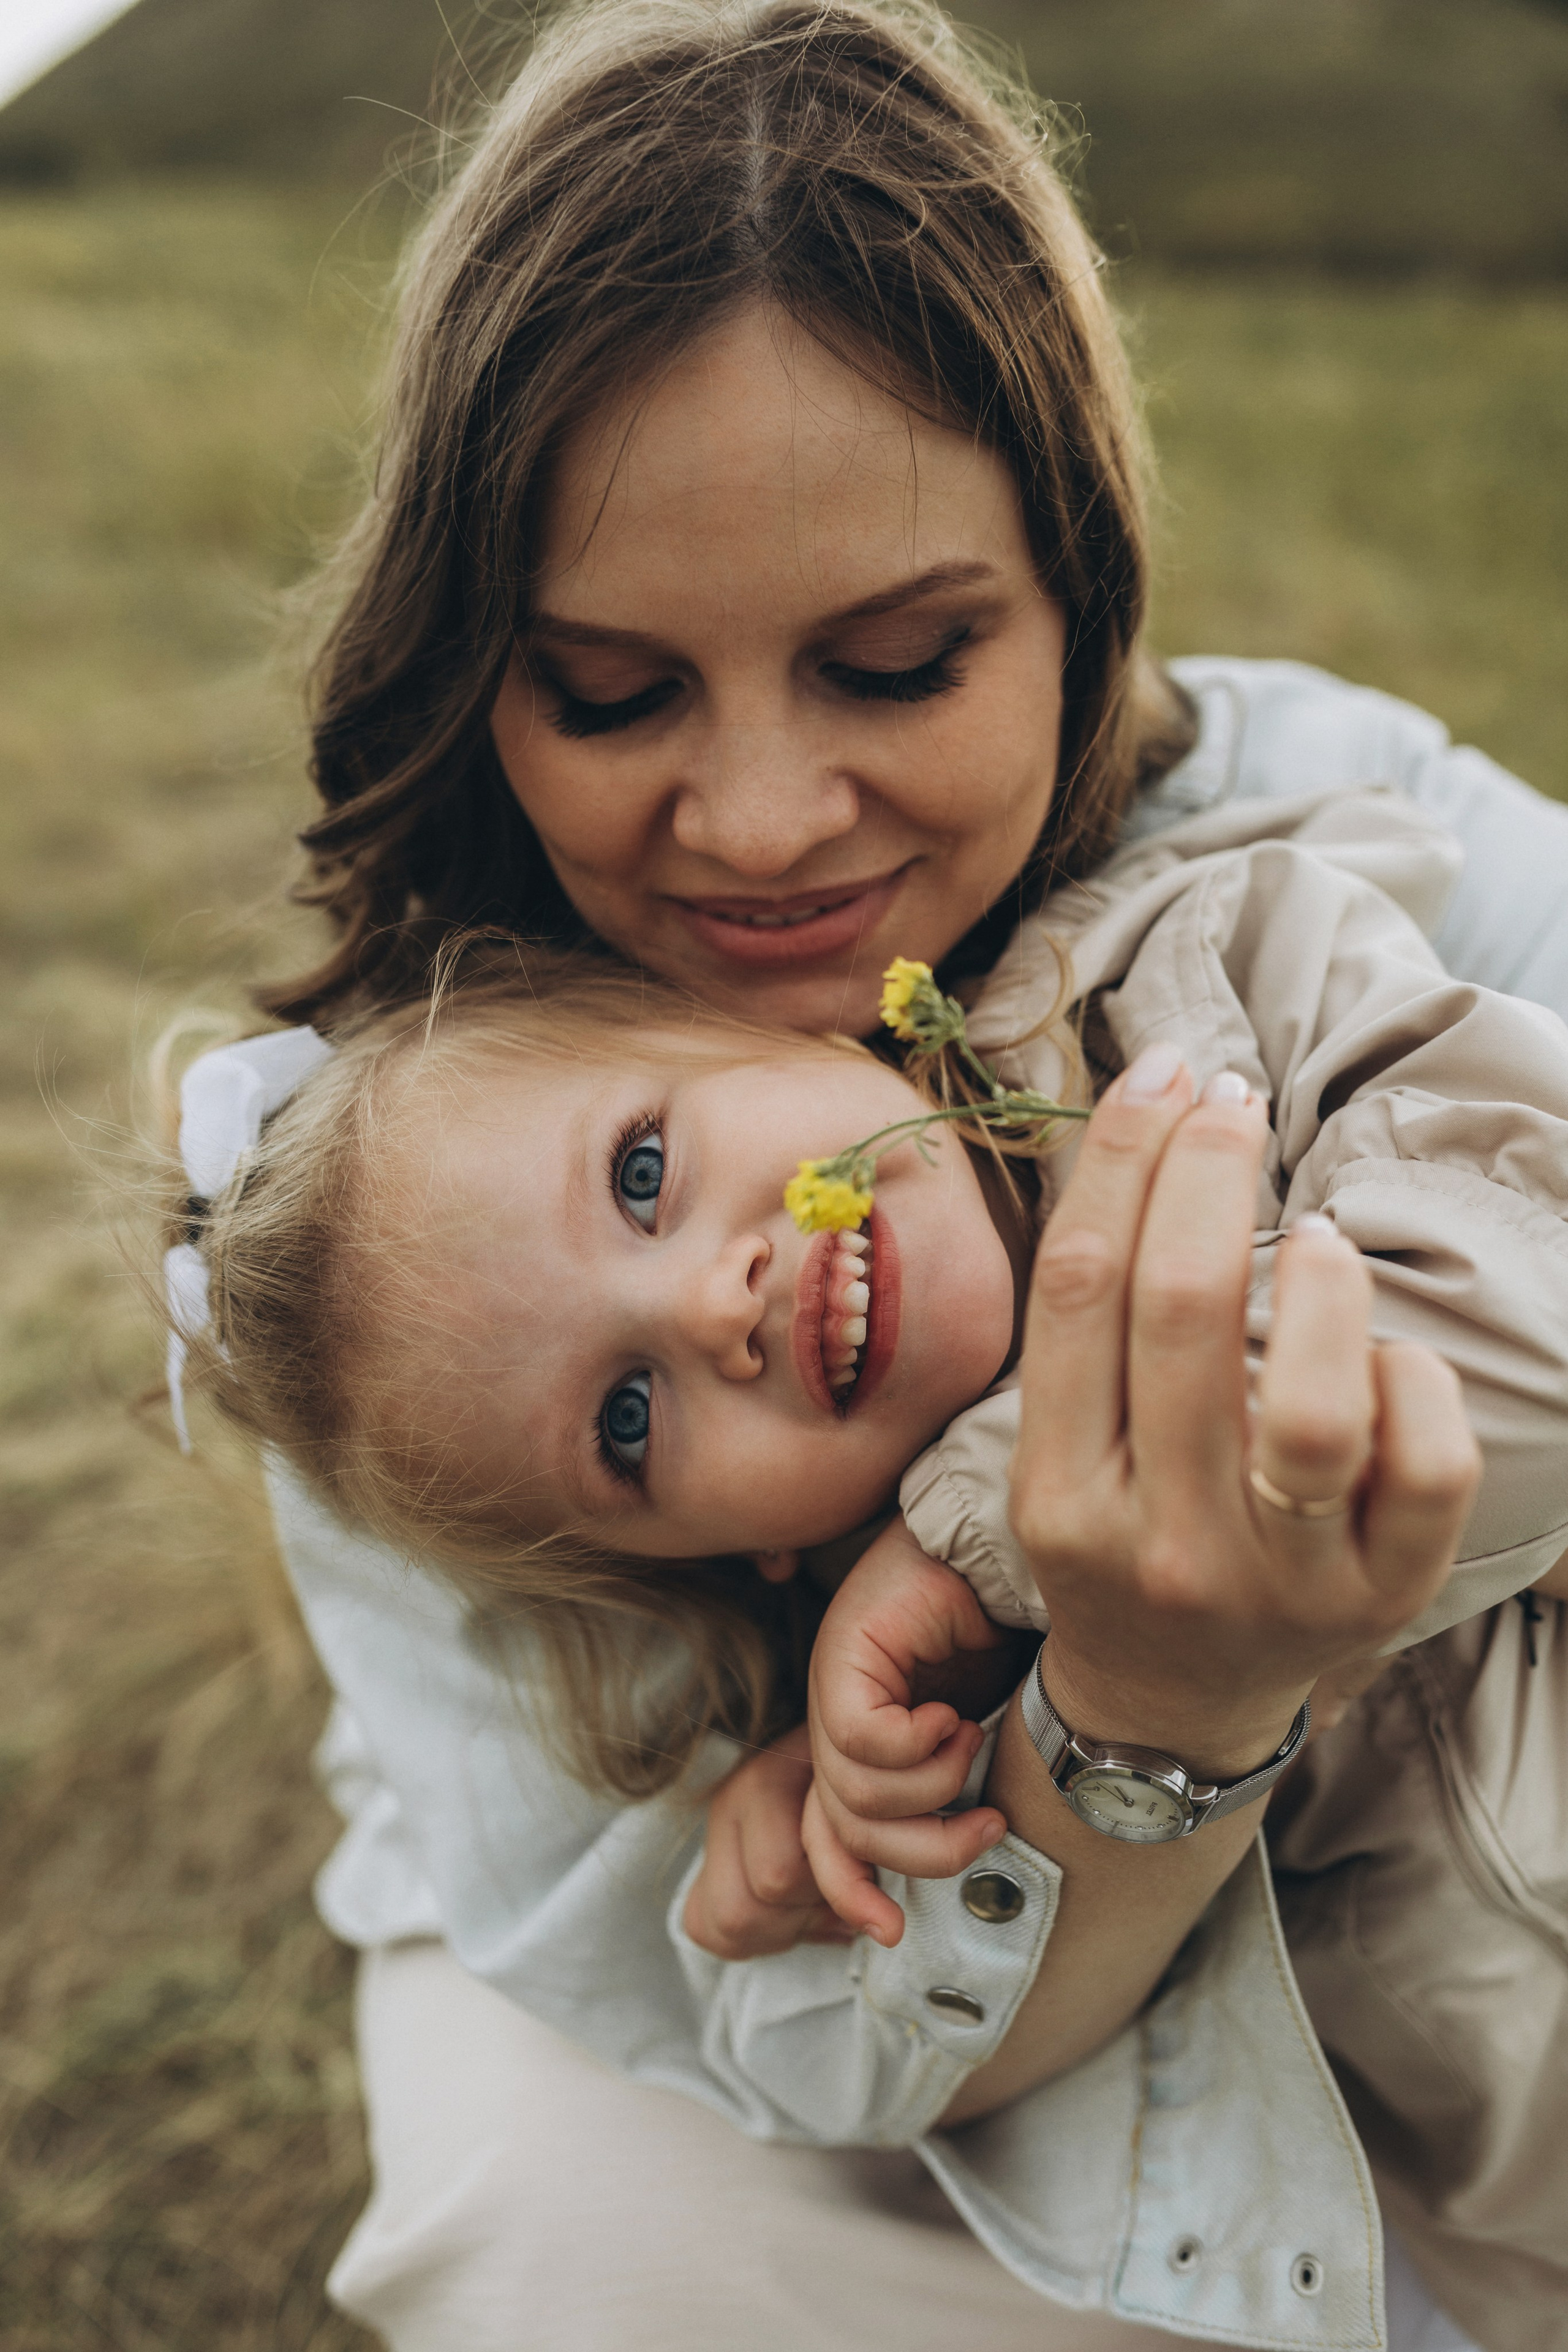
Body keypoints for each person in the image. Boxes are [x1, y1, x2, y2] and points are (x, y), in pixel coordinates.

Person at [167, 2, 1568, 2344]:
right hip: (941, 2008)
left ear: (1084, 581)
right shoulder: (382, 1221)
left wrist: (994, 1539)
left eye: (905, 662)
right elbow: (777, 2023)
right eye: (609, 696)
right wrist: (1108, 1718)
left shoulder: (1304, 871)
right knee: (578, 2256)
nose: (762, 826)